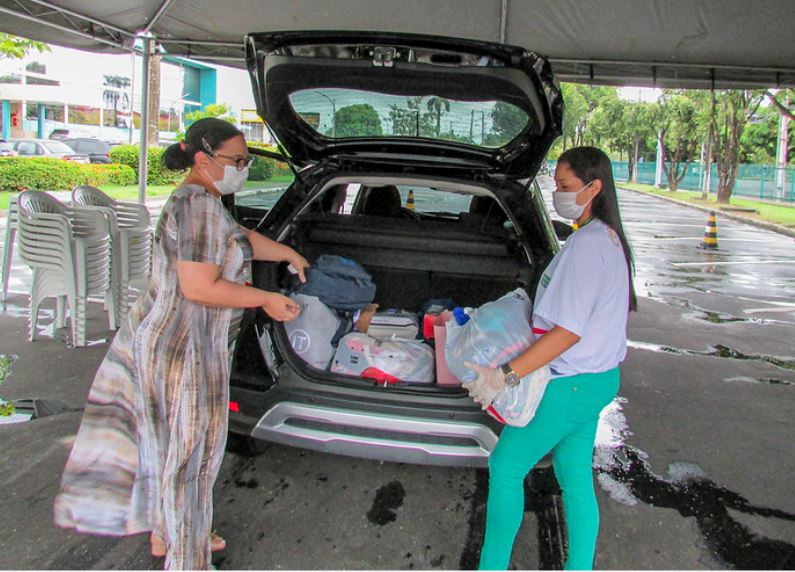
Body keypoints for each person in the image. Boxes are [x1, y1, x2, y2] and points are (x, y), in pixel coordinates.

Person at [53, 118, 308, 570]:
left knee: (167, 446)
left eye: (246, 160)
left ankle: (165, 534)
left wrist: (286, 251)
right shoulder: (196, 206)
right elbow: (201, 287)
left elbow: (238, 239)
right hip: (184, 350)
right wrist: (266, 298)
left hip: (170, 341)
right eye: (238, 160)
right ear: (203, 159)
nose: (244, 168)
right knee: (193, 456)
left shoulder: (205, 200)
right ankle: (187, 559)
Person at [465, 146, 637, 570]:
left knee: (506, 466)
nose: (556, 191)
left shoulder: (587, 245)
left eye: (565, 186)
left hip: (572, 383)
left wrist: (505, 374)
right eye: (555, 183)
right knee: (574, 477)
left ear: (593, 188)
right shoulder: (607, 238)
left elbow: (567, 332)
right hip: (597, 380)